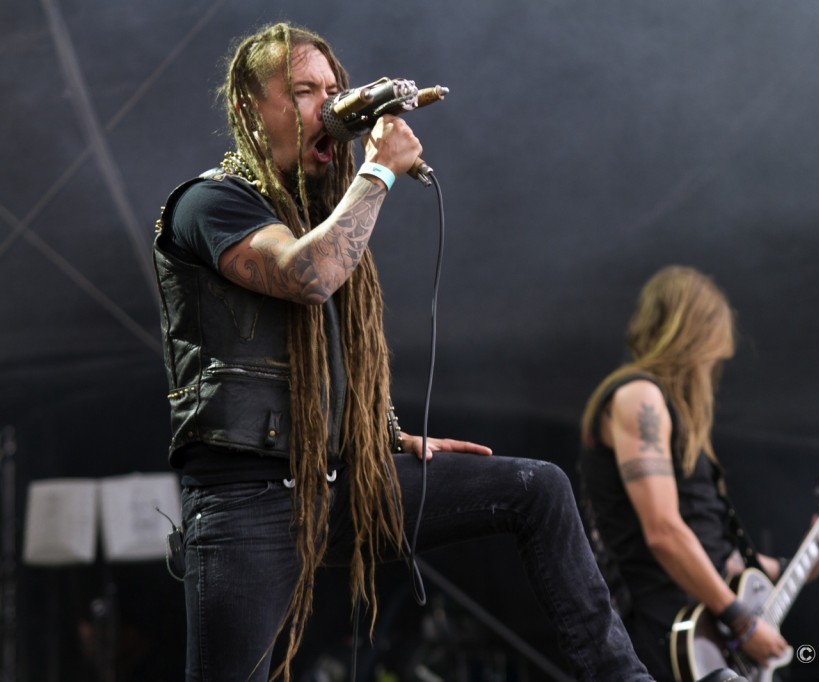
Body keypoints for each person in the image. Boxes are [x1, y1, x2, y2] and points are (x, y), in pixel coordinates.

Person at [152, 21, 652, 682]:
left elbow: (330, 351)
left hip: (334, 483)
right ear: (250, 108)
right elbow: (308, 275)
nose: (328, 107)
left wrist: (382, 438)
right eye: (304, 92)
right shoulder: (208, 203)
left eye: (334, 89)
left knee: (538, 490)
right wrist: (380, 169)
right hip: (247, 501)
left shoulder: (312, 215)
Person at [577, 265, 819, 681]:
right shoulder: (639, 397)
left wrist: (805, 560)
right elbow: (664, 532)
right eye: (712, 352)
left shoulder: (675, 414)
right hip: (666, 628)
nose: (714, 368)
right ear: (694, 335)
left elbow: (717, 549)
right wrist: (741, 621)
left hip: (706, 627)